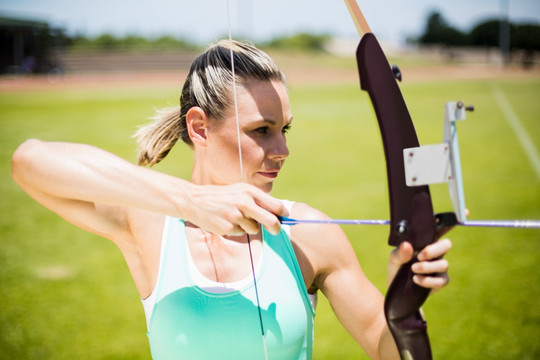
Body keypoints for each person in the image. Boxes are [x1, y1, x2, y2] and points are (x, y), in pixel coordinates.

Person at [11, 40, 451, 360]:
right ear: (200, 128)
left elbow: (389, 350)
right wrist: (190, 202)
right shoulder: (150, 225)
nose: (282, 150)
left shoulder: (307, 235)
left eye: (284, 129)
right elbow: (29, 161)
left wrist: (403, 303)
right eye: (261, 130)